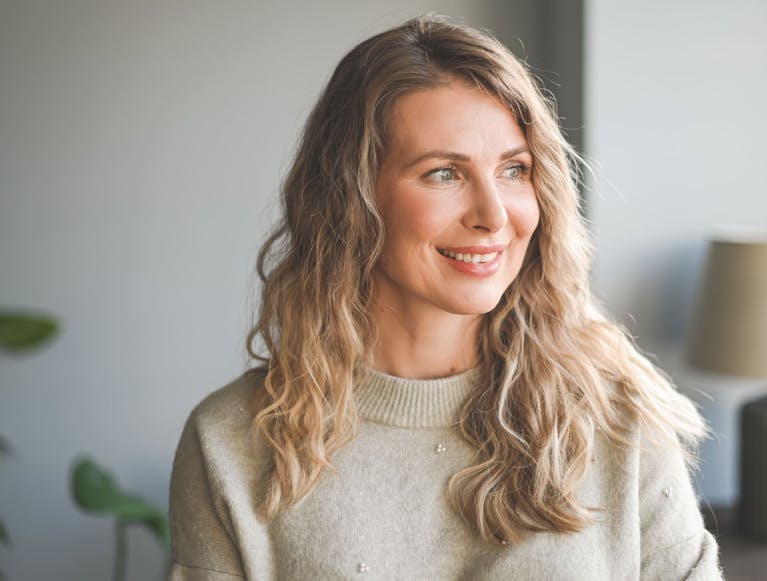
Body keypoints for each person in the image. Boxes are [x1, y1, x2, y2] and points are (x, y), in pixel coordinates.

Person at [168, 15, 723, 581]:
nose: (494, 215)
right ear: (351, 202)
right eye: (443, 173)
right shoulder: (229, 446)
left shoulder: (622, 419)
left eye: (514, 169)